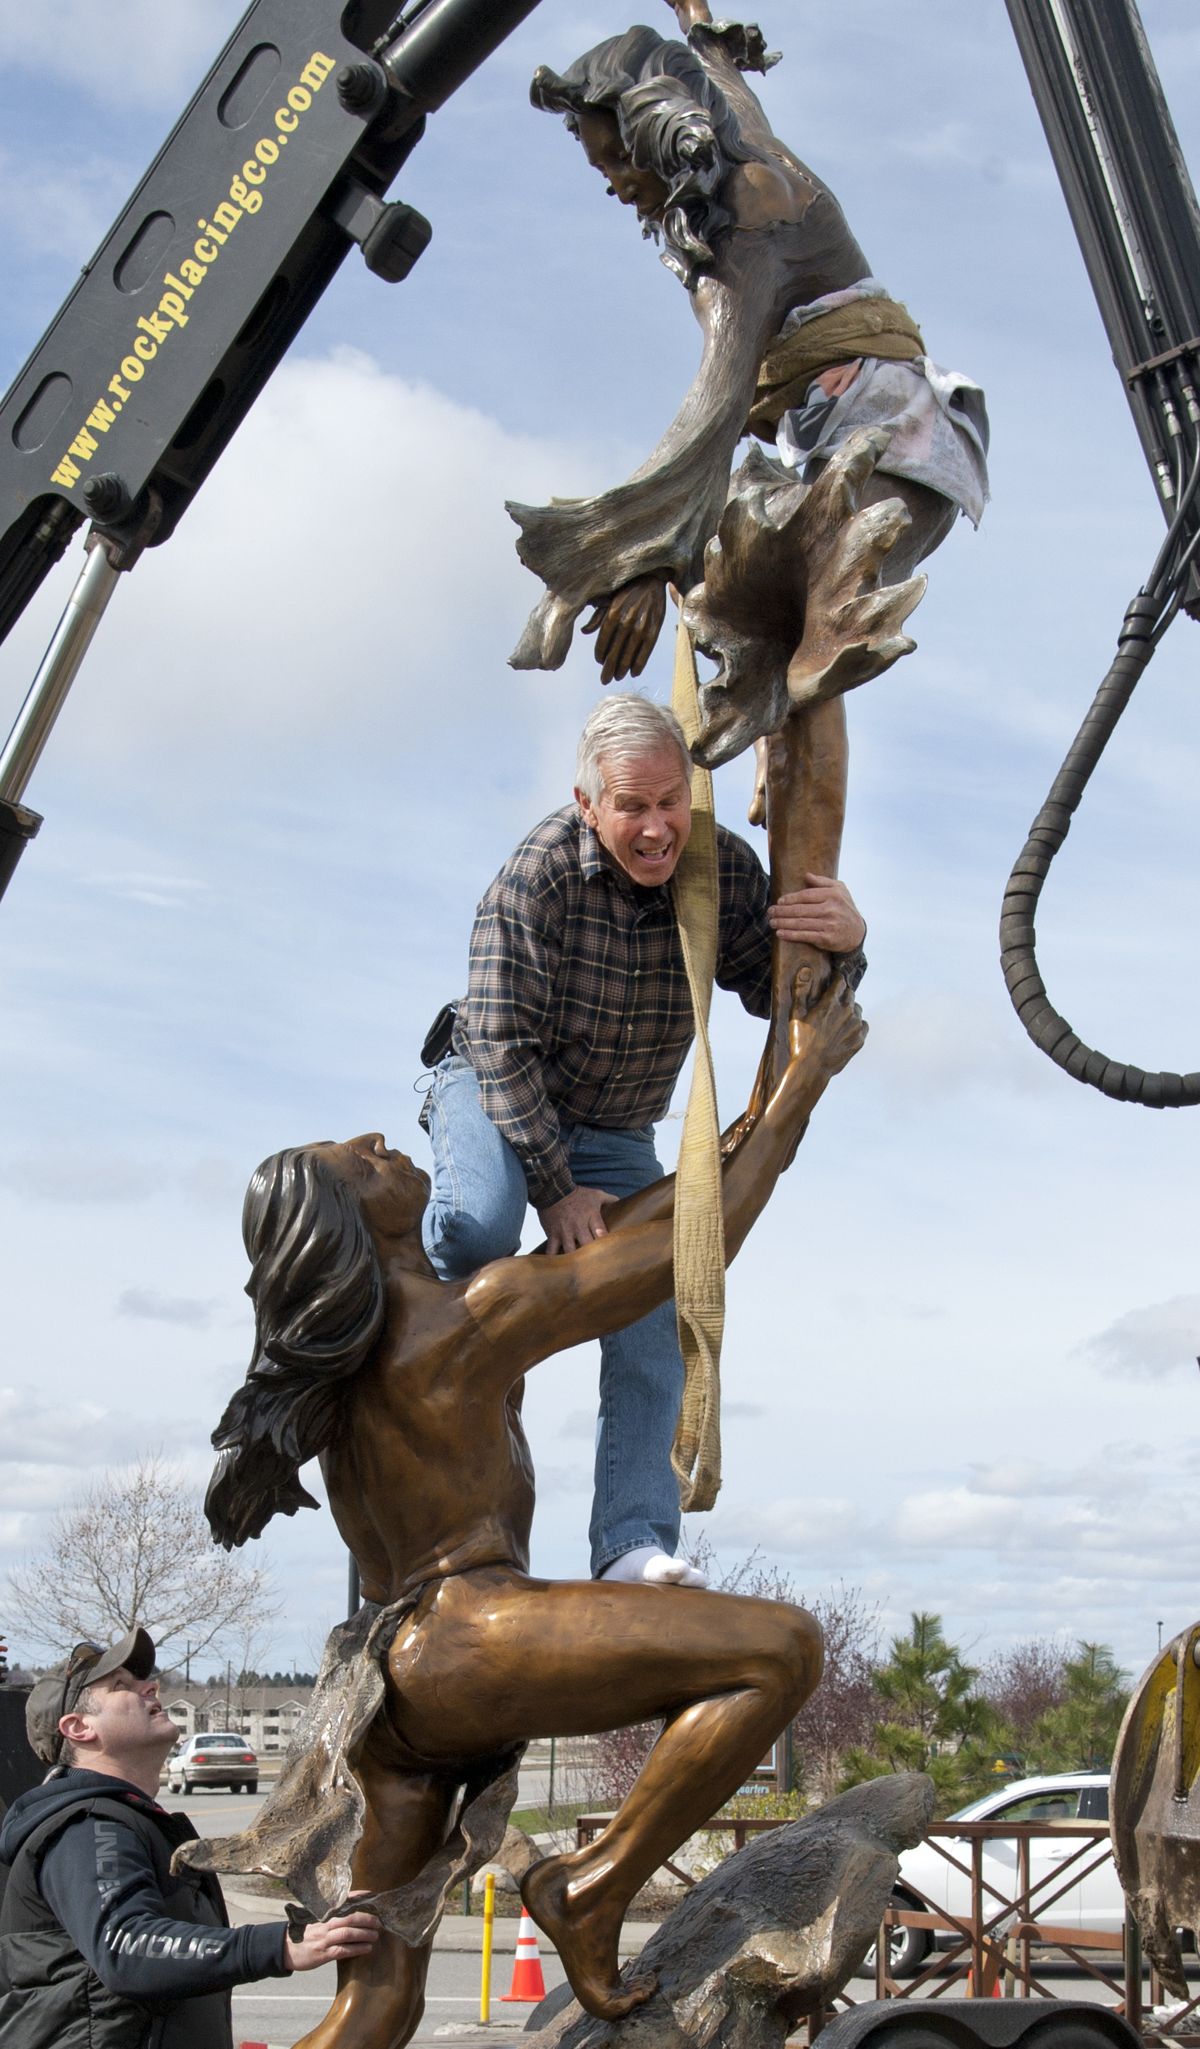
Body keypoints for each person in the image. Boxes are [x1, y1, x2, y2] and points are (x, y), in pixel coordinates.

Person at [197, 961, 866, 2049]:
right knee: (778, 1650)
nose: (383, 1142)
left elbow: (649, 1221)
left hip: (384, 1689)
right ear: (348, 1224)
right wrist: (801, 1087)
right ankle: (592, 1888)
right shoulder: (456, 1321)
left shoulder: (358, 1356)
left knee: (377, 2007)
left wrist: (750, 1110)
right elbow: (693, 1240)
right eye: (360, 1162)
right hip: (463, 1642)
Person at [419, 691, 866, 1586]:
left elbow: (781, 982)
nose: (659, 827)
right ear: (590, 803)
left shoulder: (717, 870)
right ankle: (420, 1289)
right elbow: (502, 1044)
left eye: (672, 801)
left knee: (660, 1298)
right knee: (481, 1226)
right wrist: (555, 1186)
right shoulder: (536, 876)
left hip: (618, 1124)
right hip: (499, 1088)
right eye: (634, 806)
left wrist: (848, 942)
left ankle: (629, 1541)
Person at [510, 0, 988, 763]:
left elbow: (715, 408)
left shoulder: (744, 233)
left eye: (617, 162)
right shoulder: (738, 139)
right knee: (758, 620)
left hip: (891, 447)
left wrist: (643, 563)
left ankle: (807, 878)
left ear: (655, 134)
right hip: (850, 439)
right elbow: (726, 76)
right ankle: (776, 769)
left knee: (796, 646)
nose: (611, 185)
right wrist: (696, 16)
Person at [0, 1628, 379, 2049]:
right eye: (121, 1687)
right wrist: (278, 1947)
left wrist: (311, 1927)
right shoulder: (87, 1825)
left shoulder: (126, 1819)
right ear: (78, 1727)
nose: (150, 1687)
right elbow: (126, 1946)